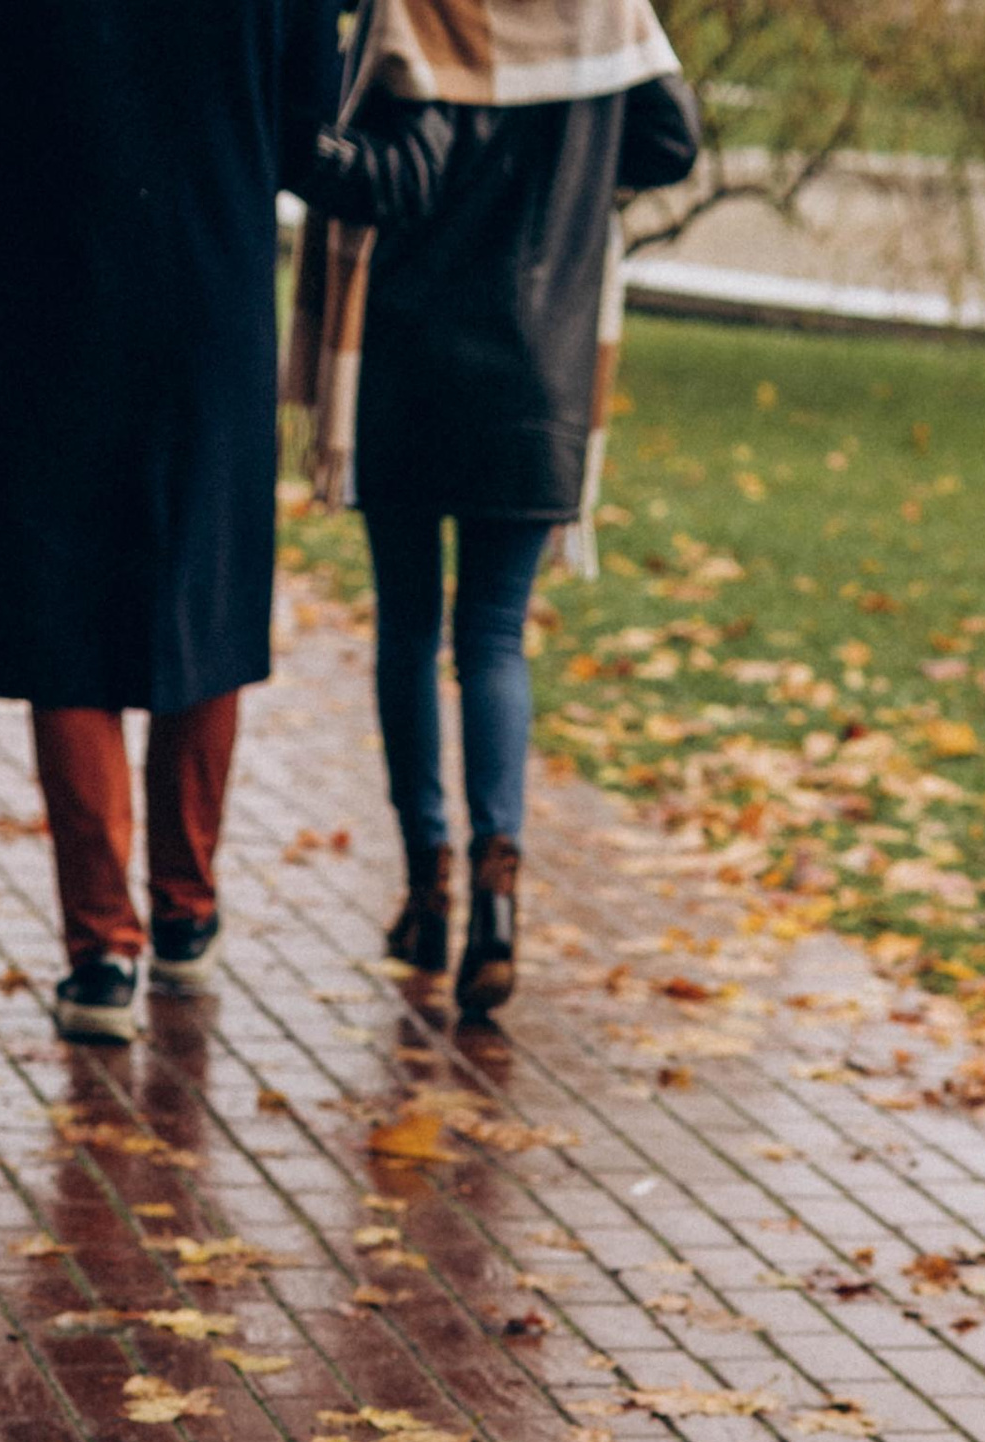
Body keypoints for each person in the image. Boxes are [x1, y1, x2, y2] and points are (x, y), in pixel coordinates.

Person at [0, 0, 338, 1038]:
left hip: (53, 293)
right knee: (203, 589)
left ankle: (100, 954)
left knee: (61, 606)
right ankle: (185, 911)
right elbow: (312, 127)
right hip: (212, 295)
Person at [287, 0, 698, 1021]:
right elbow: (670, 143)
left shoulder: (424, 11)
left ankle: (427, 889)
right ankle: (498, 906)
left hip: (411, 366)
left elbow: (396, 179)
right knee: (495, 638)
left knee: (410, 627)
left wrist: (285, 140)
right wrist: (567, 173)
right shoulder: (607, 15)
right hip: (541, 376)